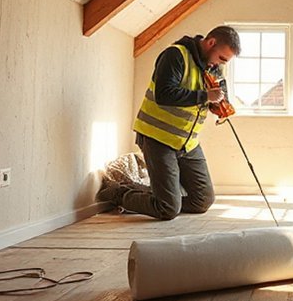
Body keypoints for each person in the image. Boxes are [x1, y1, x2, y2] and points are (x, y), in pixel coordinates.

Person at [97, 26, 240, 220]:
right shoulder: (175, 55)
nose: (221, 64)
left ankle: (161, 196)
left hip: (188, 143)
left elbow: (214, 99)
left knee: (203, 201)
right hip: (158, 138)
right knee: (167, 209)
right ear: (211, 43)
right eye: (222, 58)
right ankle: (118, 193)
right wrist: (206, 95)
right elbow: (164, 94)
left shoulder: (214, 69)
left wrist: (220, 105)